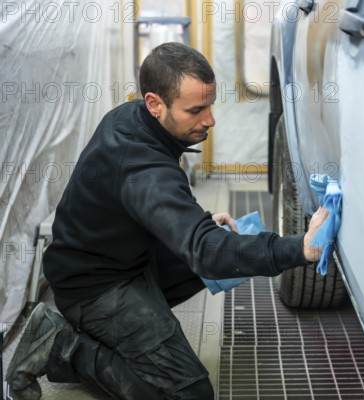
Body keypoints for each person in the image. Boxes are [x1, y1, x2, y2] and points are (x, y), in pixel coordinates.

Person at [6, 42, 328, 400]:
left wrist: (197, 221)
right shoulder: (141, 164)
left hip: (126, 257)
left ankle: (125, 332)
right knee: (189, 393)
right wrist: (299, 248)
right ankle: (61, 346)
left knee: (216, 242)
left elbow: (152, 206)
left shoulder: (133, 118)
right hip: (95, 287)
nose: (210, 119)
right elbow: (204, 249)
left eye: (210, 104)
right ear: (154, 103)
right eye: (196, 110)